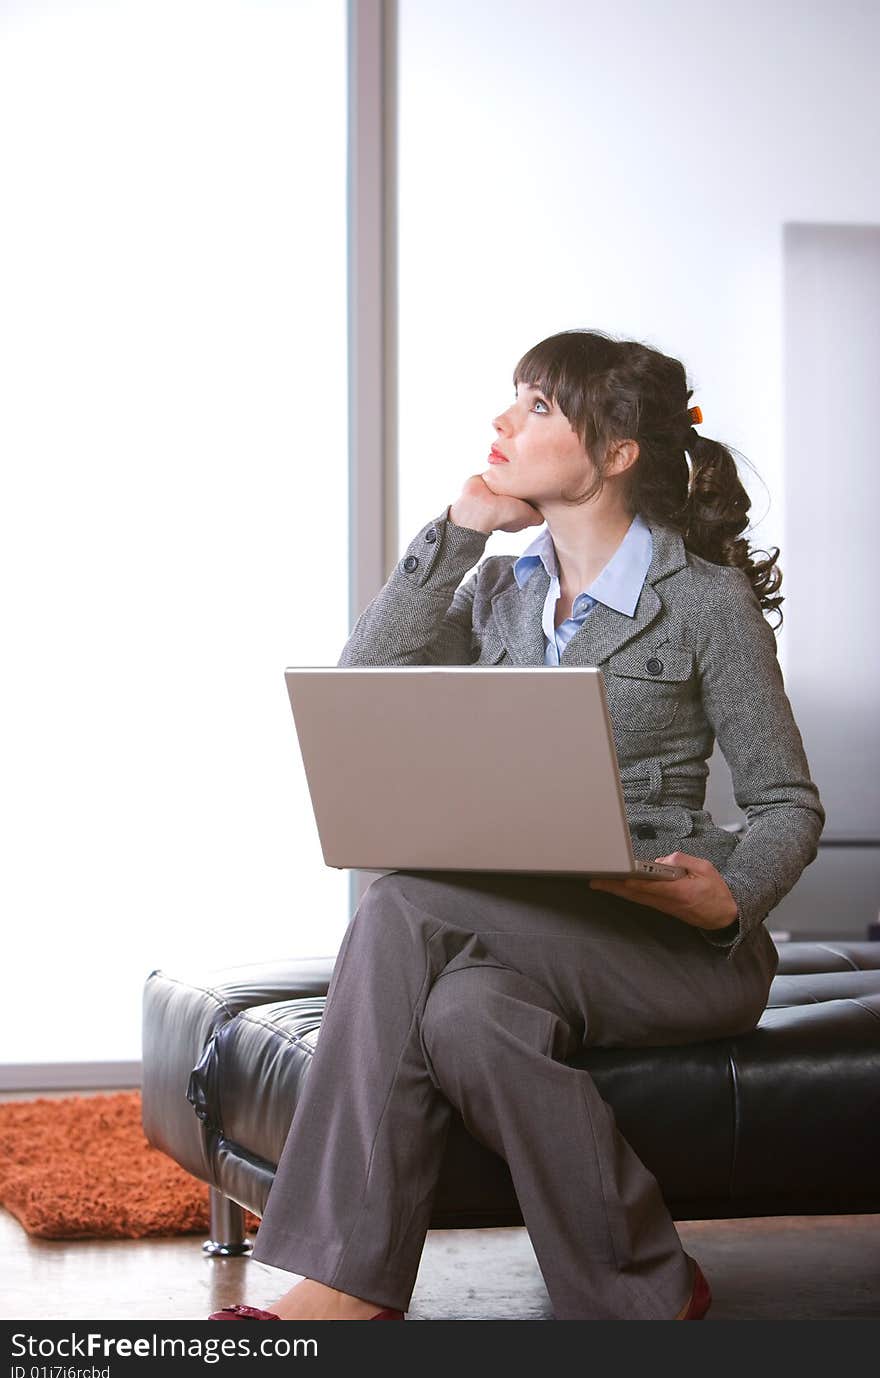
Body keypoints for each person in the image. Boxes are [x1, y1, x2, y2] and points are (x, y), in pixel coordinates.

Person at [210, 328, 825, 1321]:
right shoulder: (501, 587)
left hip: (674, 945)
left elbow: (787, 803)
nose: (502, 421)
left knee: (402, 902)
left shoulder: (705, 605)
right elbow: (366, 682)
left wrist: (729, 896)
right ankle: (647, 1292)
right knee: (463, 1019)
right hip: (528, 934)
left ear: (616, 452)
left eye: (536, 405)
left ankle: (342, 1286)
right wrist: (458, 529)